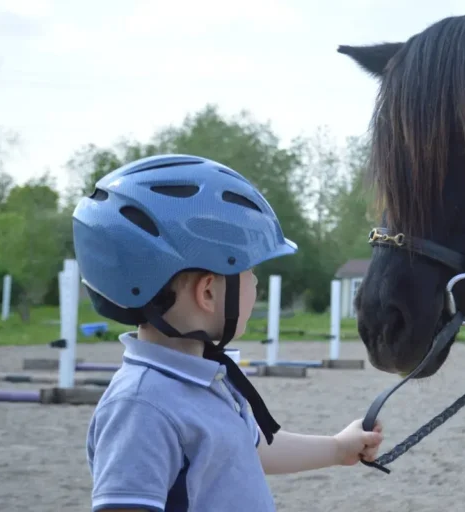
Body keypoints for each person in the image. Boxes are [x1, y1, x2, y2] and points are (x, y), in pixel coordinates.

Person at [72, 154, 384, 512]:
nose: (256, 284)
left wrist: (336, 448)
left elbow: (247, 449)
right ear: (207, 292)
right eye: (249, 272)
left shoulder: (204, 377)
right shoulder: (141, 406)